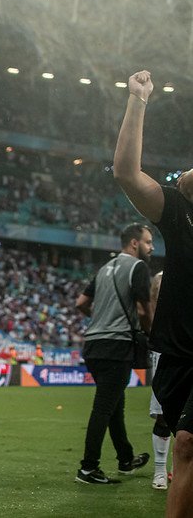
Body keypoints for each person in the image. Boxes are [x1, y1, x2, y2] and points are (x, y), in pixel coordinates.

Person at [115, 71, 193, 515]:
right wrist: (137, 100)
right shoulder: (179, 209)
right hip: (178, 352)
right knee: (186, 450)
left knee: (185, 443)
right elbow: (126, 173)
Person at [73, 223, 153, 485]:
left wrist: (100, 321)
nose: (151, 247)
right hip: (117, 345)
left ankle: (125, 459)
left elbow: (81, 303)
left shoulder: (105, 269)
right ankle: (88, 468)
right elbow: (143, 311)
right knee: (104, 408)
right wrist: (152, 335)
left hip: (94, 344)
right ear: (134, 243)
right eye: (148, 242)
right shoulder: (137, 267)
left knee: (114, 405)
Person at [147, 271, 172, 491]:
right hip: (166, 350)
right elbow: (152, 310)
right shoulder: (162, 277)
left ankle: (180, 468)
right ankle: (160, 470)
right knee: (163, 415)